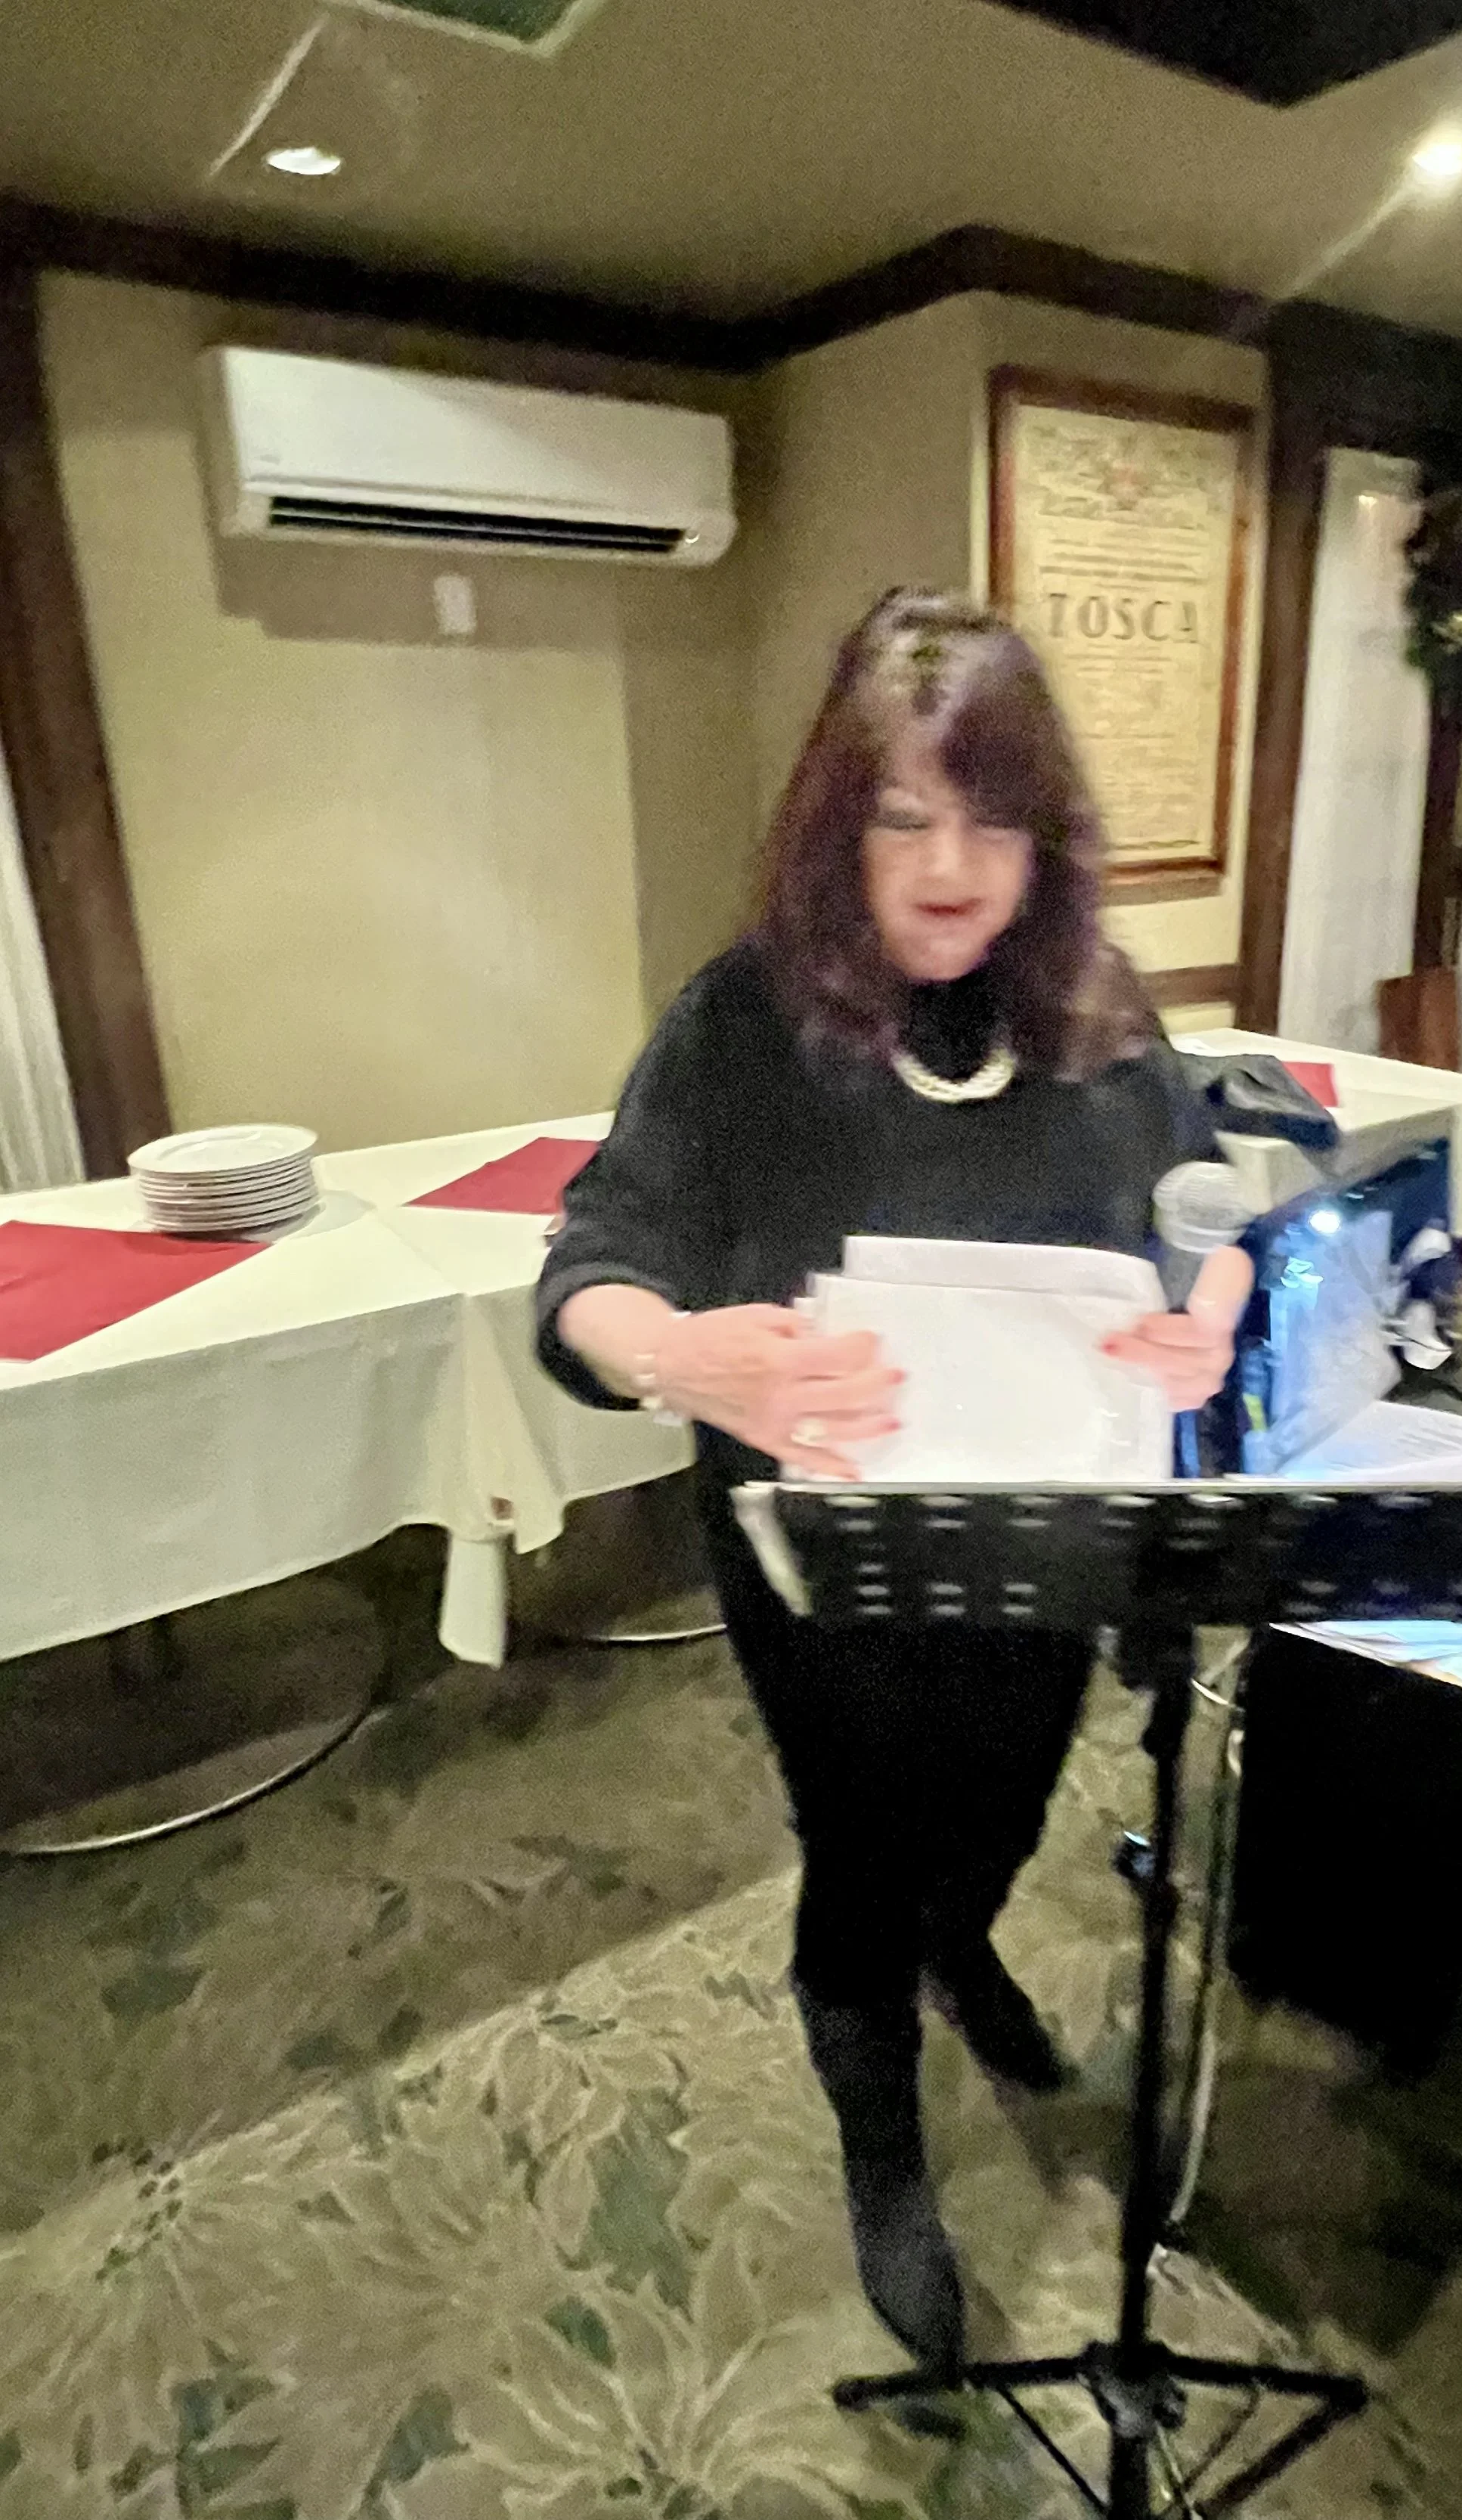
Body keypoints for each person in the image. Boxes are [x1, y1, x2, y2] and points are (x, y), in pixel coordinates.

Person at [534, 588, 1250, 2370]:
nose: (950, 865)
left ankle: (963, 1940)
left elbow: (1206, 1199)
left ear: (1044, 834)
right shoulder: (742, 1027)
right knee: (862, 1835)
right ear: (832, 827)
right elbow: (586, 1268)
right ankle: (877, 2104)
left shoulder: (1093, 1011)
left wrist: (1209, 1311)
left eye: (991, 816)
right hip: (825, 1558)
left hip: (1041, 1540)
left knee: (1003, 1807)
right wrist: (682, 1350)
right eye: (902, 815)